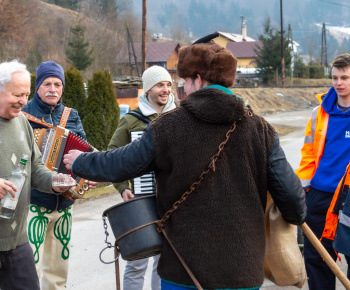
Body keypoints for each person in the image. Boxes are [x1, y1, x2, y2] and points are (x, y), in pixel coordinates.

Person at [63, 41, 306, 289]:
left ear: (198, 80)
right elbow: (293, 202)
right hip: (243, 271)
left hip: (183, 272)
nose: (183, 90)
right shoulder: (261, 129)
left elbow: (120, 164)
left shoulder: (167, 127)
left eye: (184, 82)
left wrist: (81, 161)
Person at [22, 61, 96, 290]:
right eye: (47, 83)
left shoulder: (71, 115)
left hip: (64, 204)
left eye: (57, 84)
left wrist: (89, 174)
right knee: (29, 268)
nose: (52, 89)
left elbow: (85, 150)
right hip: (33, 202)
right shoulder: (22, 115)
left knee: (58, 271)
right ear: (37, 87)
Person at [0, 60, 74, 290]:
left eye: (26, 94)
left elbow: (36, 168)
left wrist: (55, 181)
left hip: (17, 241)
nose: (23, 100)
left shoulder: (22, 122)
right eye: (17, 94)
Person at [107, 65, 175, 290]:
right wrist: (121, 186)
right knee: (138, 260)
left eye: (167, 85)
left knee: (164, 260)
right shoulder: (132, 120)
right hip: (142, 198)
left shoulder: (180, 117)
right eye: (159, 85)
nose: (165, 90)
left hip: (174, 199)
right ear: (148, 90)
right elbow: (114, 153)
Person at [295, 53, 350, 290]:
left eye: (345, 77)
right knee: (317, 258)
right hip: (319, 196)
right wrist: (302, 190)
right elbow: (308, 155)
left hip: (348, 198)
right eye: (335, 77)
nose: (339, 83)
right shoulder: (320, 113)